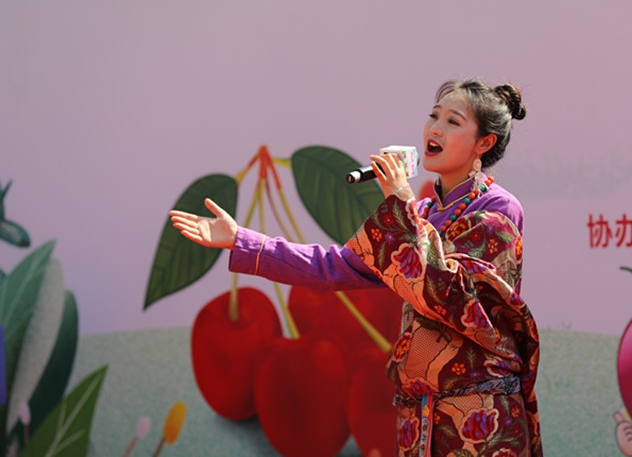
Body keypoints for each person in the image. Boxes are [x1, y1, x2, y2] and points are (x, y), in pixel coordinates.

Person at [170, 79, 542, 456]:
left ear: (484, 143)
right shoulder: (417, 214)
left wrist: (400, 201)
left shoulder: (498, 210)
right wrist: (242, 240)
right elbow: (332, 266)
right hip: (420, 422)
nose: (435, 128)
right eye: (434, 116)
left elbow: (451, 296)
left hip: (482, 417)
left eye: (452, 121)